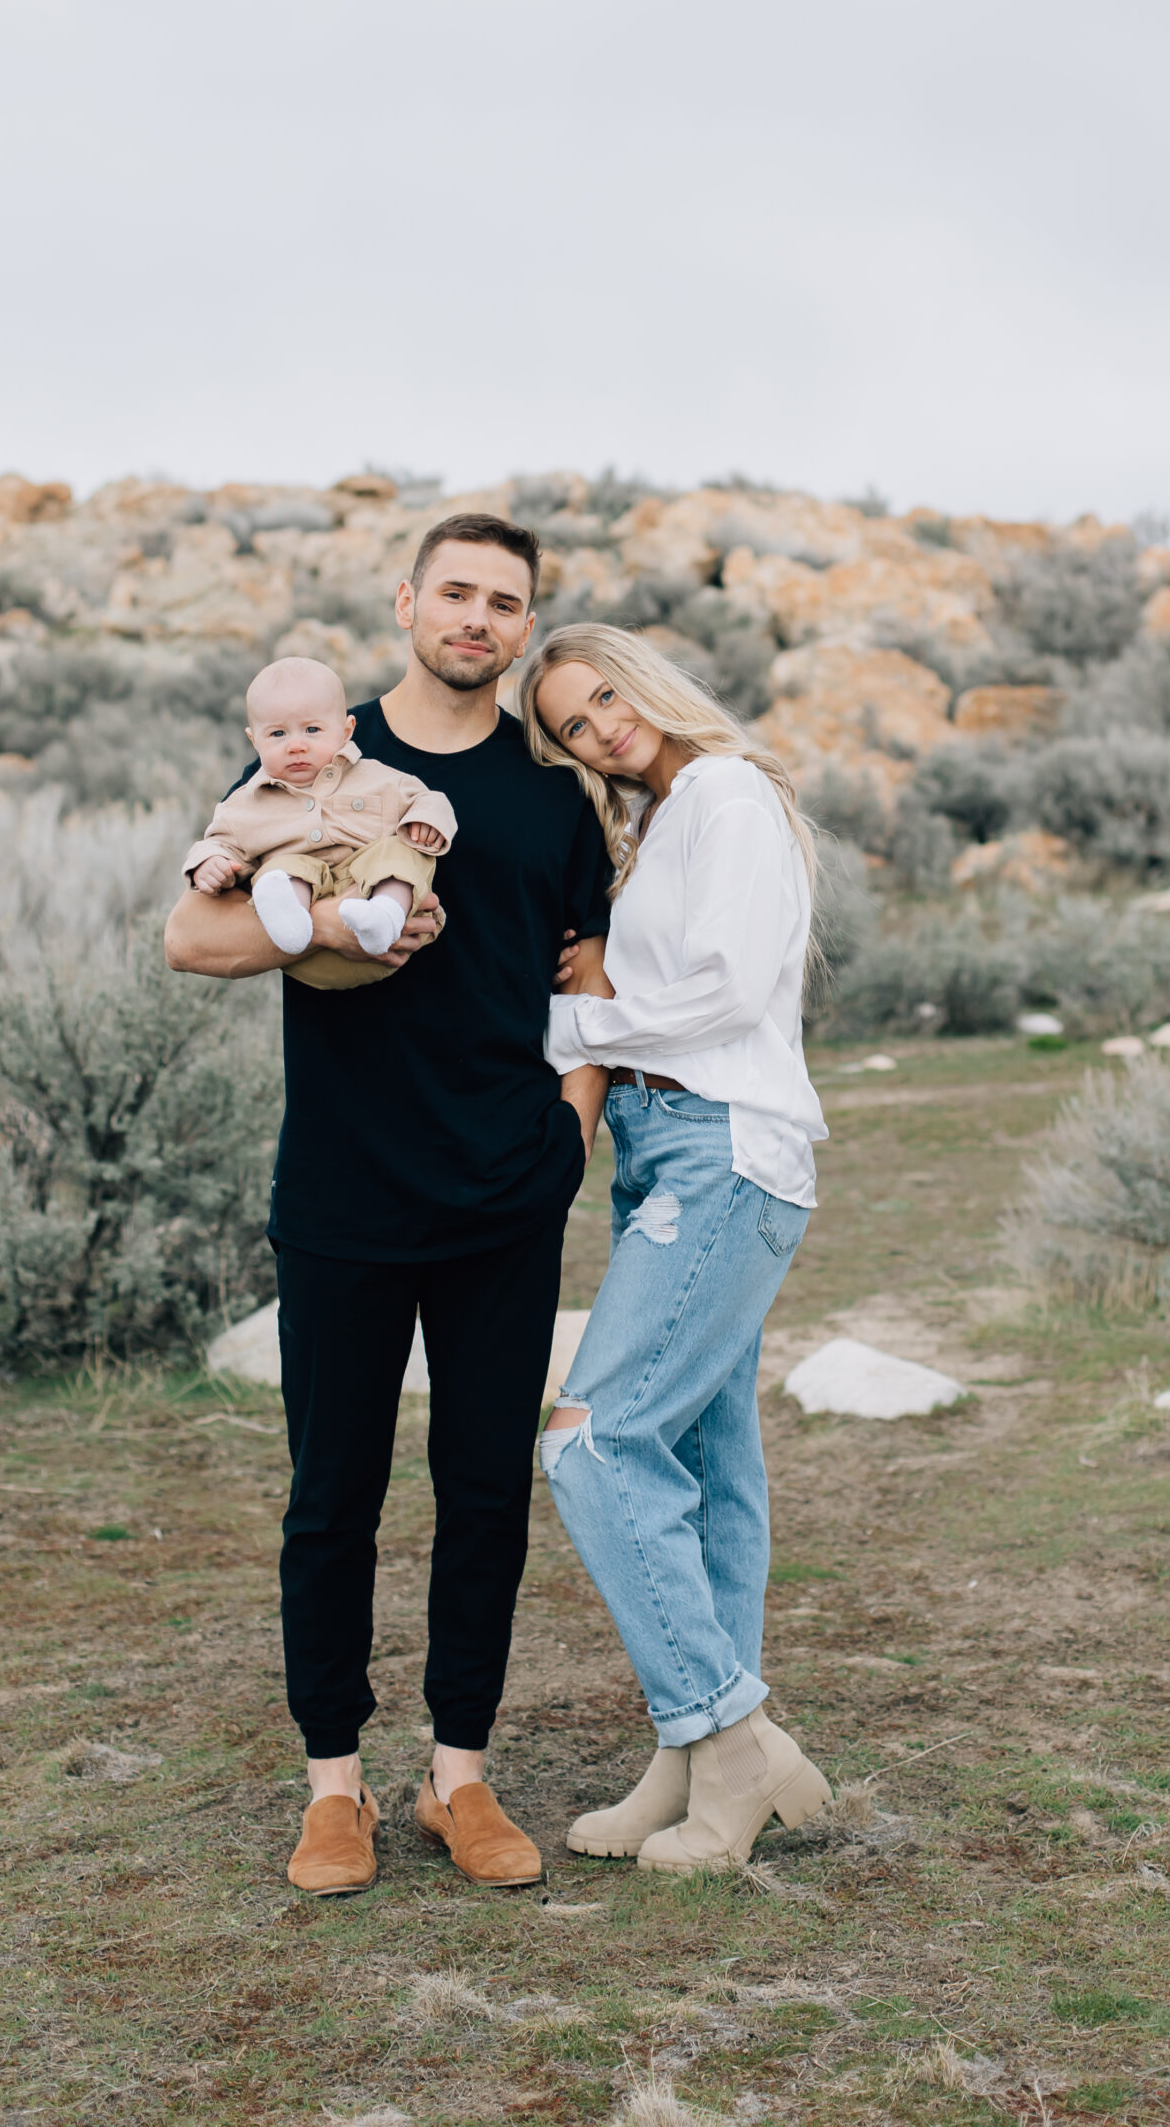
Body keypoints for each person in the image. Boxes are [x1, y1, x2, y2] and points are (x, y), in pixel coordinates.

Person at [165, 514, 613, 1898]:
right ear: (408, 601)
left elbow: (586, 973)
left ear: (525, 628)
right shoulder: (316, 747)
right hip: (345, 1194)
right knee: (331, 1500)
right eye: (458, 592)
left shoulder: (549, 797)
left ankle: (459, 1780)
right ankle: (334, 1789)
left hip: (503, 1196)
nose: (479, 618)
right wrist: (334, 937)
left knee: (485, 1492)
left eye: (507, 602)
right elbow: (193, 931)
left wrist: (568, 1135)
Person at [520, 622, 833, 1873]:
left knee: (591, 1436)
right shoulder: (660, 819)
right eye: (572, 725)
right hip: (672, 1146)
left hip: (719, 1148)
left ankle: (734, 1739)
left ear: (645, 678)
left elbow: (729, 985)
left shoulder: (722, 793)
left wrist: (567, 1013)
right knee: (707, 1460)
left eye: (605, 696)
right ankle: (693, 1749)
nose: (601, 728)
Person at [184, 654, 455, 968]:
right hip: (313, 955)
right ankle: (288, 918)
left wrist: (426, 820)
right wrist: (207, 864)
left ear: (346, 730)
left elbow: (429, 799)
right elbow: (219, 843)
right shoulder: (245, 804)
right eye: (277, 734)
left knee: (399, 854)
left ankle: (383, 914)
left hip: (386, 934)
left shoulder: (376, 777)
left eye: (312, 730)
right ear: (253, 740)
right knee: (281, 871)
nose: (296, 745)